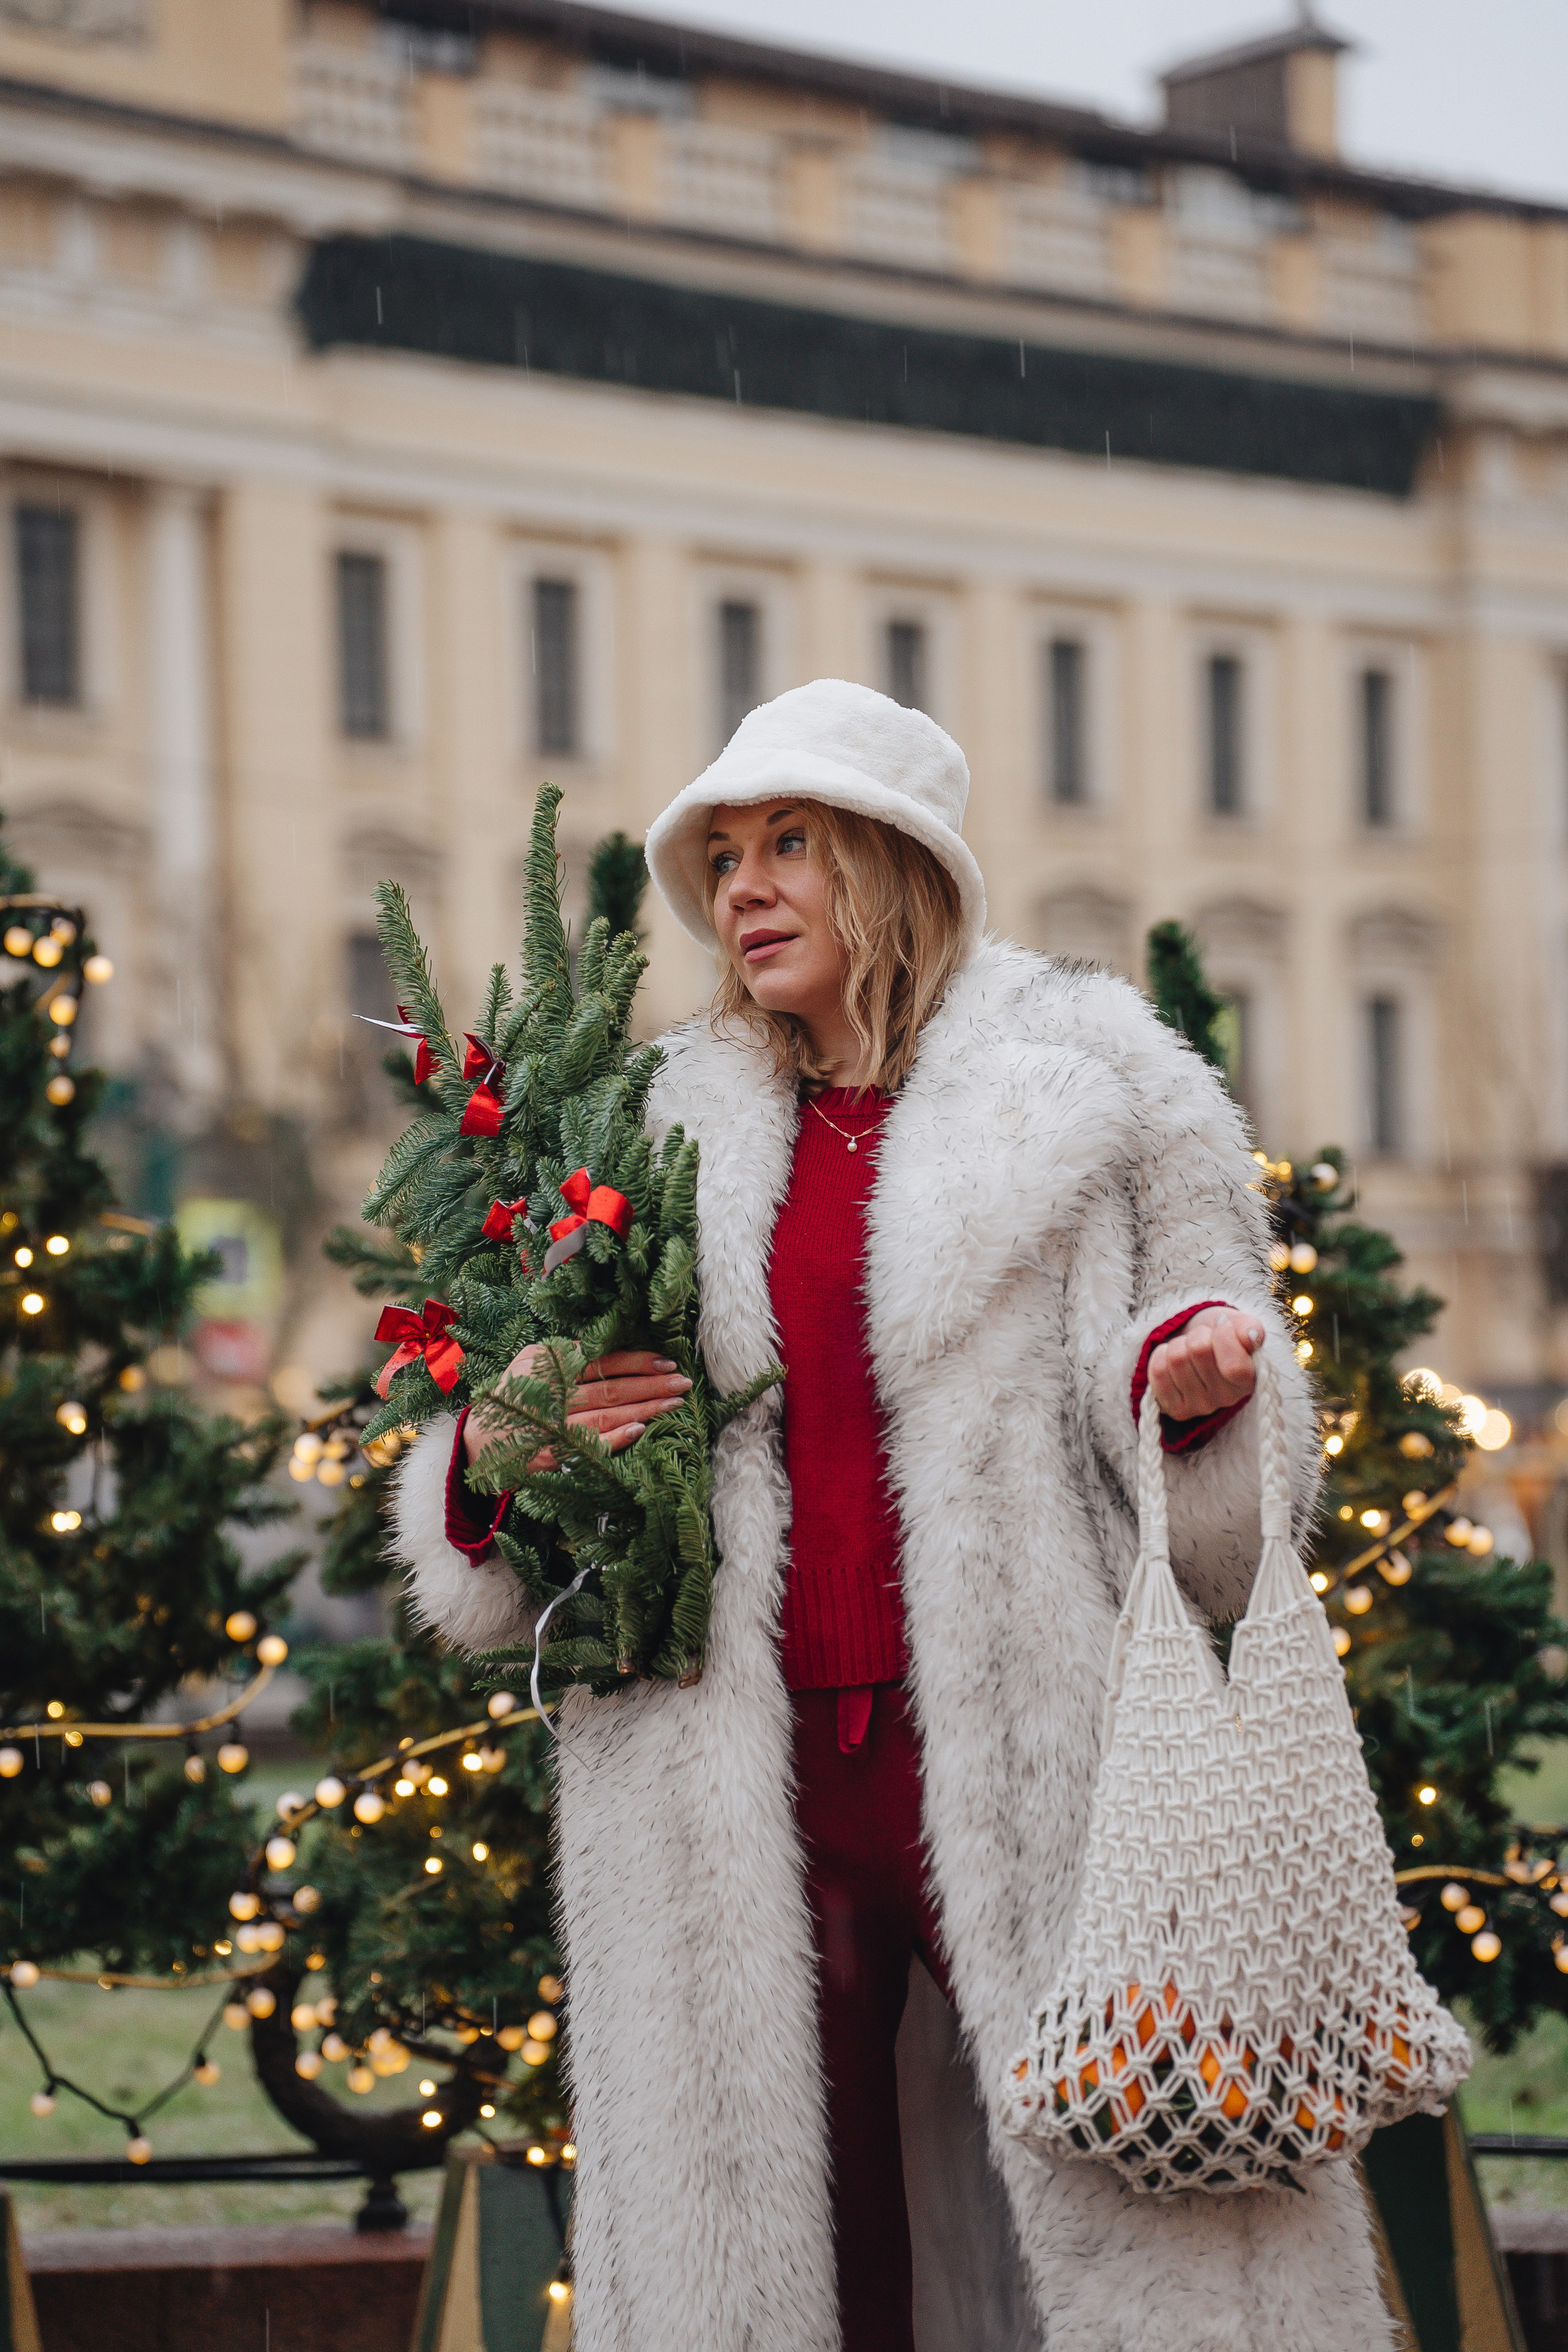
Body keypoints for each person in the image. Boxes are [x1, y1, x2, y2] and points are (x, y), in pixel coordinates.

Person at [393, 679, 1392, 2352]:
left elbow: (1237, 1496)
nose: (745, 890)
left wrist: (1199, 1387)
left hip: (1038, 1747)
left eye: (790, 844)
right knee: (796, 2270)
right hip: (728, 1779)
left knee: (1140, 2215)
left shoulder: (1105, 1090)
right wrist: (496, 1454)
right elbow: (526, 1538)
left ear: (894, 861)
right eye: (725, 859)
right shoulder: (649, 1132)